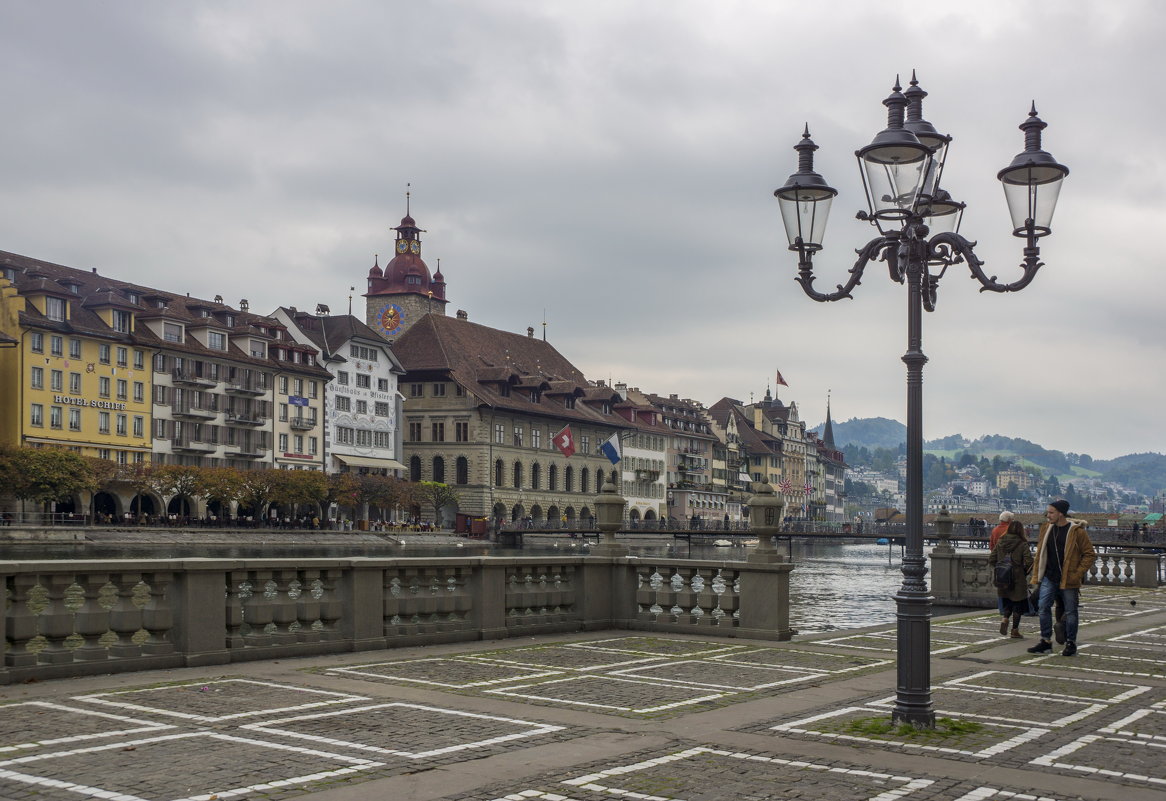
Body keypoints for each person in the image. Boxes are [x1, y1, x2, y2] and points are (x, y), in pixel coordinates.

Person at [1027, 499, 1096, 656]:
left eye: (1051, 512)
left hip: (1068, 577)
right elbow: (1040, 554)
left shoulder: (1077, 532)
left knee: (1071, 611)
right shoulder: (1046, 529)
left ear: (1060, 513)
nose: (1048, 515)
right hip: (1049, 576)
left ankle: (1070, 642)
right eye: (1048, 512)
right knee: (1043, 607)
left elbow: (1089, 554)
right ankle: (1045, 640)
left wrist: (1077, 573)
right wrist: (1038, 573)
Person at [989, 519, 1033, 638]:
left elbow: (992, 559)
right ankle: (1014, 630)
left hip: (1003, 579)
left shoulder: (1000, 541)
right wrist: (1024, 571)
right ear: (1020, 530)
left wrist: (1000, 568)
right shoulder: (1022, 543)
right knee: (1018, 605)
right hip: (1018, 578)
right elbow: (1029, 561)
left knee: (1008, 601)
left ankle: (1004, 620)